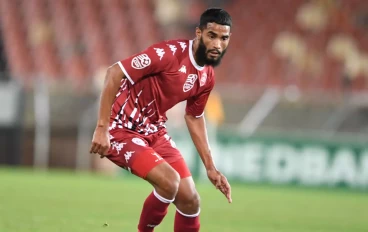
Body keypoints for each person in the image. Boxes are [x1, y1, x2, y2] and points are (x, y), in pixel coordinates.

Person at [89, 8, 232, 232]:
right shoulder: (167, 54)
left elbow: (194, 117)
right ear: (198, 33)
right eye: (211, 36)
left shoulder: (206, 76)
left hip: (154, 130)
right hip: (121, 129)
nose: (217, 44)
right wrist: (102, 128)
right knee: (170, 182)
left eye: (224, 38)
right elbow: (114, 72)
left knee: (191, 200)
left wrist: (210, 167)